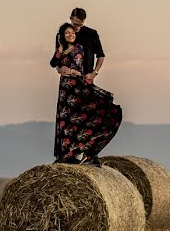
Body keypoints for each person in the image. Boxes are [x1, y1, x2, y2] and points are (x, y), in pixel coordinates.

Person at [49, 22, 123, 165]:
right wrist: (59, 49)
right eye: (67, 33)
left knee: (80, 119)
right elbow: (53, 63)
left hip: (76, 88)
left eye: (73, 33)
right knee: (65, 122)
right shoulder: (61, 49)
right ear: (62, 36)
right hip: (65, 91)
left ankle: (81, 151)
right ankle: (66, 155)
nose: (71, 35)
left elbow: (76, 67)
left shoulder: (78, 48)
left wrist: (67, 70)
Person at [54, 7, 105, 84]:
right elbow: (57, 56)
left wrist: (94, 73)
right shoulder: (62, 34)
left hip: (86, 78)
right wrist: (59, 69)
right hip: (67, 80)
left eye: (80, 25)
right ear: (70, 18)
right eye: (75, 24)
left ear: (84, 21)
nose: (77, 27)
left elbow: (101, 55)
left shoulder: (92, 34)